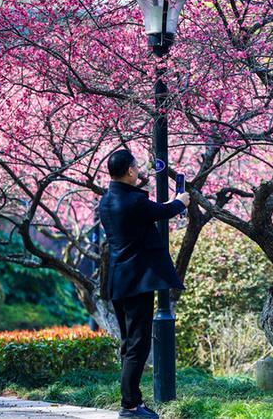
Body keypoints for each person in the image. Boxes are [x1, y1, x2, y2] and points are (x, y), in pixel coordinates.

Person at [99, 150, 189, 419]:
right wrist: (181, 201)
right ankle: (130, 406)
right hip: (138, 281)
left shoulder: (107, 201)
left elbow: (139, 208)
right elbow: (163, 211)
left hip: (118, 281)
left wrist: (142, 183)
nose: (138, 170)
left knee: (129, 343)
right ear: (128, 171)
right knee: (138, 345)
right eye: (135, 167)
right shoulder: (135, 203)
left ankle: (132, 401)